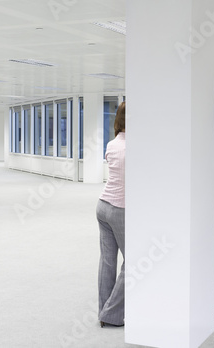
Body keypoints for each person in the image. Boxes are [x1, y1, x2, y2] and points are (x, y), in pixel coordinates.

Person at [96, 101, 126, 328]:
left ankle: (104, 311)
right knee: (135, 262)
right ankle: (110, 314)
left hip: (102, 205)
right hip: (119, 209)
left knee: (108, 262)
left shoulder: (112, 143)